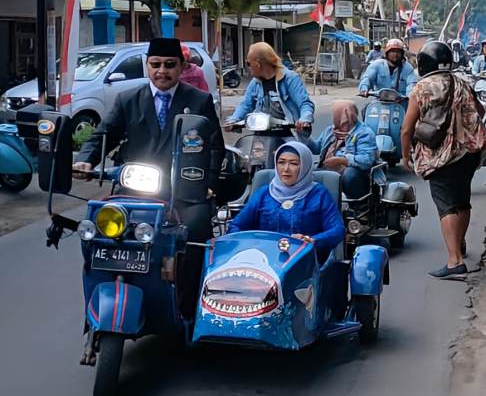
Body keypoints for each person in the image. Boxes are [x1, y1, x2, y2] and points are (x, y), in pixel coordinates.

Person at [73, 37, 225, 319]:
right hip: (133, 187)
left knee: (194, 234)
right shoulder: (128, 99)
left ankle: (188, 307)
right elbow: (103, 135)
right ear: (147, 66)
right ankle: (104, 299)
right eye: (155, 65)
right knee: (98, 232)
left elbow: (215, 147)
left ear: (181, 67)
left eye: (169, 65)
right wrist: (86, 159)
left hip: (184, 191)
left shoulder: (199, 100)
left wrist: (209, 184)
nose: (162, 71)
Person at [401, 41, 486, 280]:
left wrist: (405, 157)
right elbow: (480, 112)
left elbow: (406, 129)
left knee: (446, 206)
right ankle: (459, 243)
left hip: (439, 156)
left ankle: (454, 261)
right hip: (468, 153)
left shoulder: (421, 88)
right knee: (462, 201)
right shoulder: (462, 81)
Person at [228, 141, 345, 262]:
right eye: (281, 162)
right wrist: (252, 245)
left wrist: (312, 240)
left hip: (305, 262)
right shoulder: (264, 193)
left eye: (293, 163)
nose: (286, 169)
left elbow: (337, 230)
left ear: (305, 166)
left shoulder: (319, 194)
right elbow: (236, 226)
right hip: (265, 261)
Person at [297, 100, 382, 199]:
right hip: (328, 169)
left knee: (349, 175)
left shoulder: (364, 133)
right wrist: (303, 136)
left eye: (335, 114)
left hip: (356, 175)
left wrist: (343, 160)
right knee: (303, 173)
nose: (333, 117)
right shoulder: (330, 130)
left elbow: (367, 160)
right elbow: (316, 148)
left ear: (343, 116)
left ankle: (355, 204)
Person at [225, 42, 314, 136]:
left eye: (248, 63)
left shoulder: (290, 78)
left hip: (288, 136)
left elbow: (305, 103)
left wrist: (304, 119)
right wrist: (233, 120)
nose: (248, 67)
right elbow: (246, 105)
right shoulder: (255, 82)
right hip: (261, 136)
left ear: (258, 64)